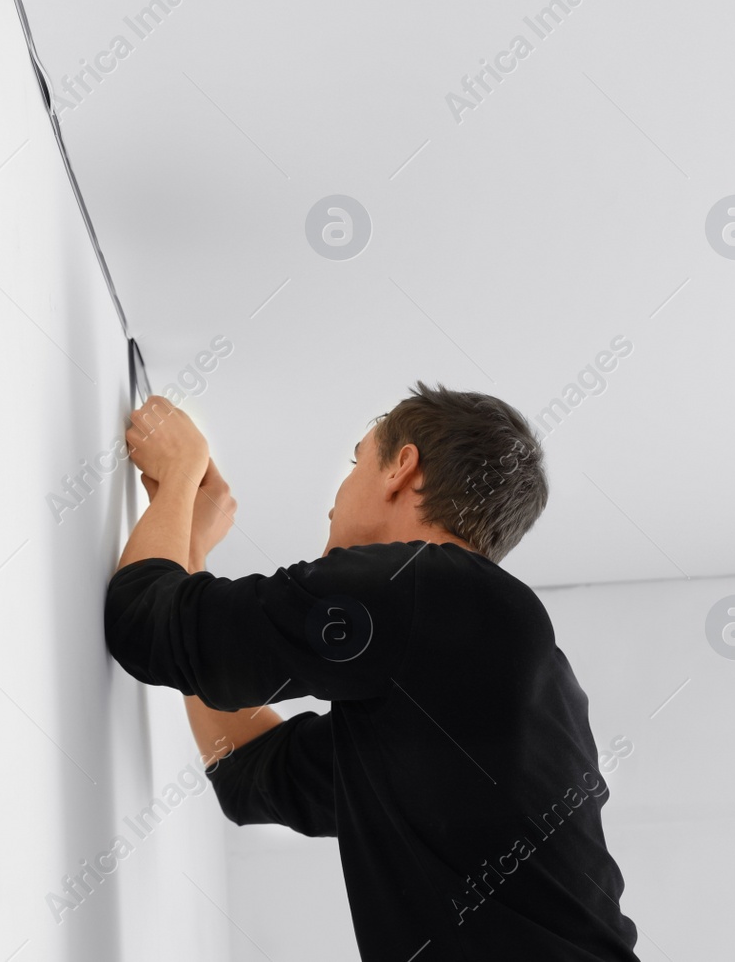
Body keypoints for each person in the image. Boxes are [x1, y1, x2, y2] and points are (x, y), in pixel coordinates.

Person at [105, 382, 640, 961]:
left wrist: (181, 475)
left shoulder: (430, 590)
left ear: (402, 468)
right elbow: (248, 768)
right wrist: (191, 551)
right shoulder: (462, 674)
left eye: (357, 460)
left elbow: (140, 622)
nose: (335, 498)